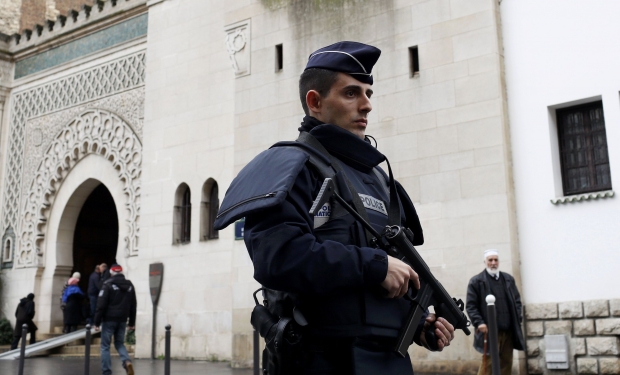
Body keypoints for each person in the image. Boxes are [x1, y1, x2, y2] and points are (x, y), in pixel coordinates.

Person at [214, 41, 455, 375]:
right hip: (320, 360)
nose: (367, 105)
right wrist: (374, 265)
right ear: (315, 101)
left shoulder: (381, 181)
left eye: (369, 94)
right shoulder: (291, 167)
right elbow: (278, 257)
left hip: (390, 363)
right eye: (352, 93)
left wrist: (419, 325)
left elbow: (393, 276)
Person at [466, 249, 525, 375]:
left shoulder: (508, 279)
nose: (493, 263)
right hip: (490, 331)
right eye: (490, 260)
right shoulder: (476, 281)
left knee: (506, 363)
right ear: (485, 262)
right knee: (488, 364)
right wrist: (479, 323)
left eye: (495, 260)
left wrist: (517, 318)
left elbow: (517, 302)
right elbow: (471, 306)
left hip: (508, 330)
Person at [95, 264, 136, 375]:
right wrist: (131, 322)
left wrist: (96, 322)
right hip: (122, 319)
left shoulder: (107, 284)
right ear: (121, 272)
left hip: (109, 319)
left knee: (105, 346)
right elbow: (133, 305)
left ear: (112, 273)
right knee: (119, 343)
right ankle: (127, 361)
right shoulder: (130, 285)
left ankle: (107, 372)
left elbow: (101, 305)